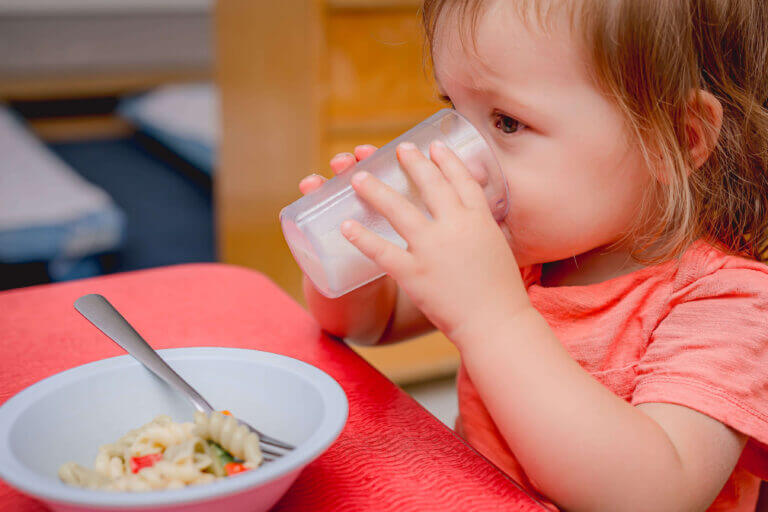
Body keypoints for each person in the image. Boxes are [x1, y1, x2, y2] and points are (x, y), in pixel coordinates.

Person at [296, 1, 768, 510]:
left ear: (673, 138)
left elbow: (654, 494)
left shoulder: (728, 305)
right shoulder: (528, 247)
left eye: (507, 123)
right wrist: (356, 250)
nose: (462, 160)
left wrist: (493, 318)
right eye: (454, 112)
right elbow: (374, 322)